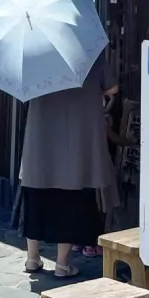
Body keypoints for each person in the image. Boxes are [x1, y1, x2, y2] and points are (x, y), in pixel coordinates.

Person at [19, 55, 120, 277]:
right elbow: (113, 89)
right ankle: (62, 265)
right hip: (75, 139)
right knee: (69, 198)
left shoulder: (36, 57)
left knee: (35, 196)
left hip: (41, 138)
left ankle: (32, 259)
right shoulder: (91, 57)